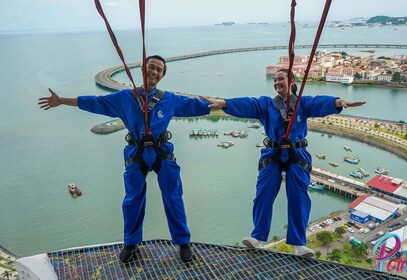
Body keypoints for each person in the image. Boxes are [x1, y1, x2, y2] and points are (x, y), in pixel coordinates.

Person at [38, 55, 211, 263]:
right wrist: (62, 101)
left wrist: (226, 104)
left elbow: (197, 106)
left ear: (162, 76)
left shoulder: (169, 99)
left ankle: (183, 242)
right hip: (136, 152)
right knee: (132, 200)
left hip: (161, 151)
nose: (154, 72)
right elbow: (95, 102)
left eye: (159, 70)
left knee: (173, 196)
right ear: (143, 70)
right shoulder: (124, 98)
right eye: (151, 67)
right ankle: (131, 242)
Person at [202, 69, 365, 257]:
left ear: (291, 81)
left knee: (299, 196)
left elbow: (319, 102)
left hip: (297, 152)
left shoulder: (302, 104)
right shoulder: (267, 105)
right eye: (275, 79)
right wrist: (224, 103)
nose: (276, 82)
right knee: (263, 193)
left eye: (280, 78)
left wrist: (337, 102)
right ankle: (258, 237)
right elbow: (248, 104)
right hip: (273, 151)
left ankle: (299, 244)